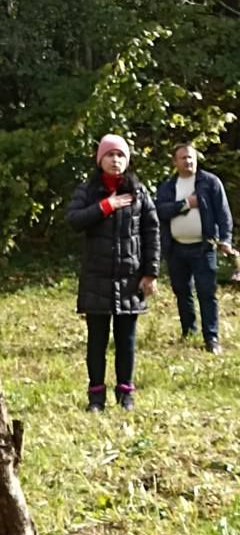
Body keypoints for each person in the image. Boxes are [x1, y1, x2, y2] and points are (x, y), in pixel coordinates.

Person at [67, 134, 160, 411]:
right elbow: (74, 220)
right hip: (96, 279)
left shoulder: (139, 192)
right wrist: (105, 206)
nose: (115, 160)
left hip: (130, 279)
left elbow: (152, 232)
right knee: (96, 342)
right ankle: (96, 397)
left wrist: (151, 273)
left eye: (120, 155)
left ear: (127, 161)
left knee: (126, 341)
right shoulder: (88, 190)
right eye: (110, 155)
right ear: (100, 160)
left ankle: (125, 394)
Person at [154, 142, 234, 354]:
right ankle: (188, 332)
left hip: (203, 248)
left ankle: (211, 338)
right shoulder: (168, 187)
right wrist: (186, 204)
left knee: (207, 293)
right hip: (176, 249)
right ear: (175, 162)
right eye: (183, 158)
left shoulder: (210, 182)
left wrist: (225, 239)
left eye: (191, 157)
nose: (188, 161)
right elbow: (160, 211)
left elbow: (223, 213)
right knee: (182, 292)